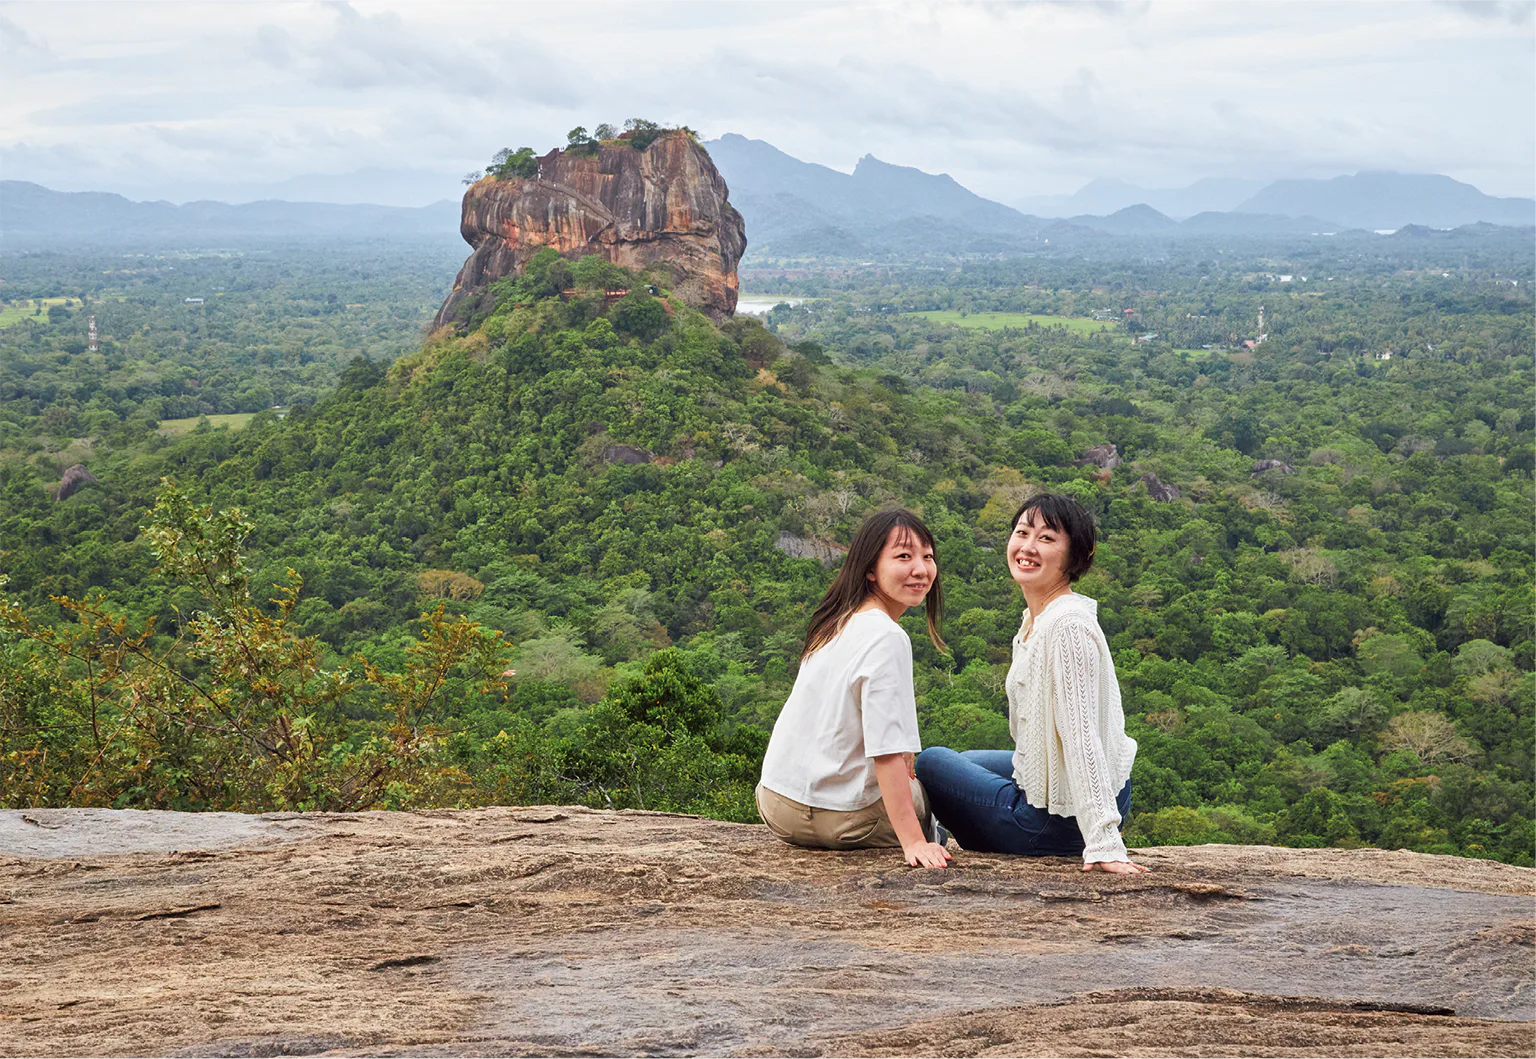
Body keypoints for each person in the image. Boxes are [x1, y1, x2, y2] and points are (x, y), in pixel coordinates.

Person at [916, 493, 1147, 873]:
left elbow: (1081, 735)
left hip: (1052, 825)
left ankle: (957, 837)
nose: (1027, 547)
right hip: (1082, 796)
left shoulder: (1066, 626)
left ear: (1077, 555)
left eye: (1046, 538)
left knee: (932, 762)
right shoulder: (1036, 620)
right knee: (968, 762)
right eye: (1022, 533)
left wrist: (1104, 842)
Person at [757, 508, 953, 869]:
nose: (921, 569)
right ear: (870, 568)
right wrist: (914, 842)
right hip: (843, 822)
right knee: (933, 786)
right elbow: (888, 752)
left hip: (777, 806)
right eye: (904, 557)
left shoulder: (832, 624)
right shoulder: (888, 636)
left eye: (928, 557)